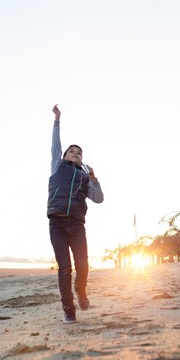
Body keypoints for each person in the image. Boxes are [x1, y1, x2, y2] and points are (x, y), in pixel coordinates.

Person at [47, 104, 104, 322]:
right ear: (64, 156)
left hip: (77, 225)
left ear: (83, 160)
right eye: (72, 151)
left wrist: (94, 179)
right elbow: (55, 145)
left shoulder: (84, 177)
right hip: (57, 224)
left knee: (82, 265)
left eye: (79, 153)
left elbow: (99, 198)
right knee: (64, 268)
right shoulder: (56, 166)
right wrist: (57, 120)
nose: (76, 153)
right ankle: (68, 310)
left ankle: (81, 290)